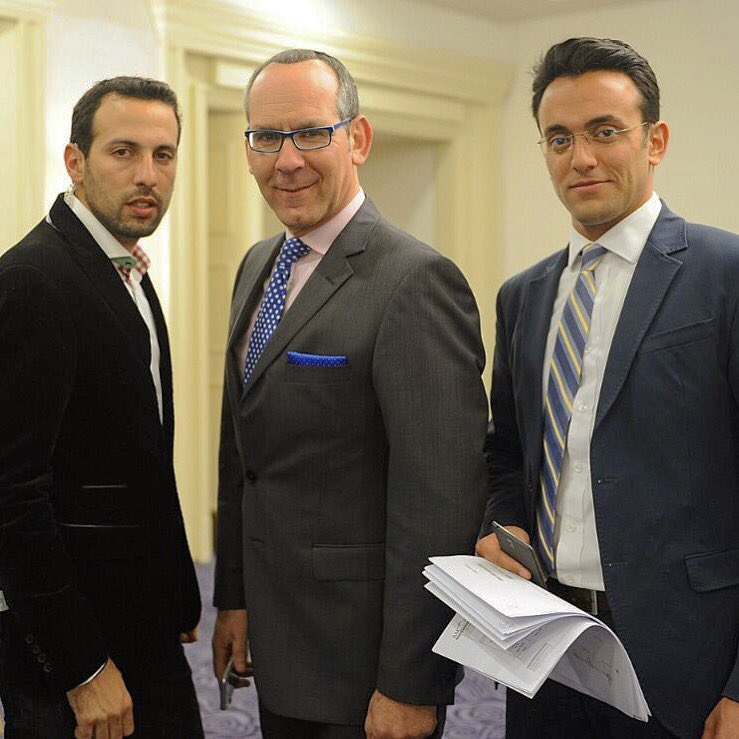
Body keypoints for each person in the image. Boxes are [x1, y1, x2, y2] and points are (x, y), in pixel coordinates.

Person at [211, 49, 488, 738]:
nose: (287, 160)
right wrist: (234, 597)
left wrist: (411, 682)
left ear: (357, 139)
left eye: (310, 133)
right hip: (276, 639)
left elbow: (440, 503)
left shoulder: (414, 281)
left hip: (364, 668)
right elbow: (244, 453)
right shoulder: (257, 265)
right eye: (266, 137)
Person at [476, 37, 739, 739]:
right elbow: (508, 454)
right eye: (559, 138)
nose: (581, 158)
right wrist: (504, 525)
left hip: (689, 660)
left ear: (655, 140)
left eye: (604, 131)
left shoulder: (724, 273)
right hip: (547, 646)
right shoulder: (523, 296)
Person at [0, 77, 203, 739]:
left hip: (139, 623)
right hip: (73, 651)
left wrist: (175, 588)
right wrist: (81, 666)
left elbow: (138, 461)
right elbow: (12, 494)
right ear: (75, 161)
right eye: (123, 152)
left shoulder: (124, 267)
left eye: (163, 154)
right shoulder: (34, 279)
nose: (147, 174)